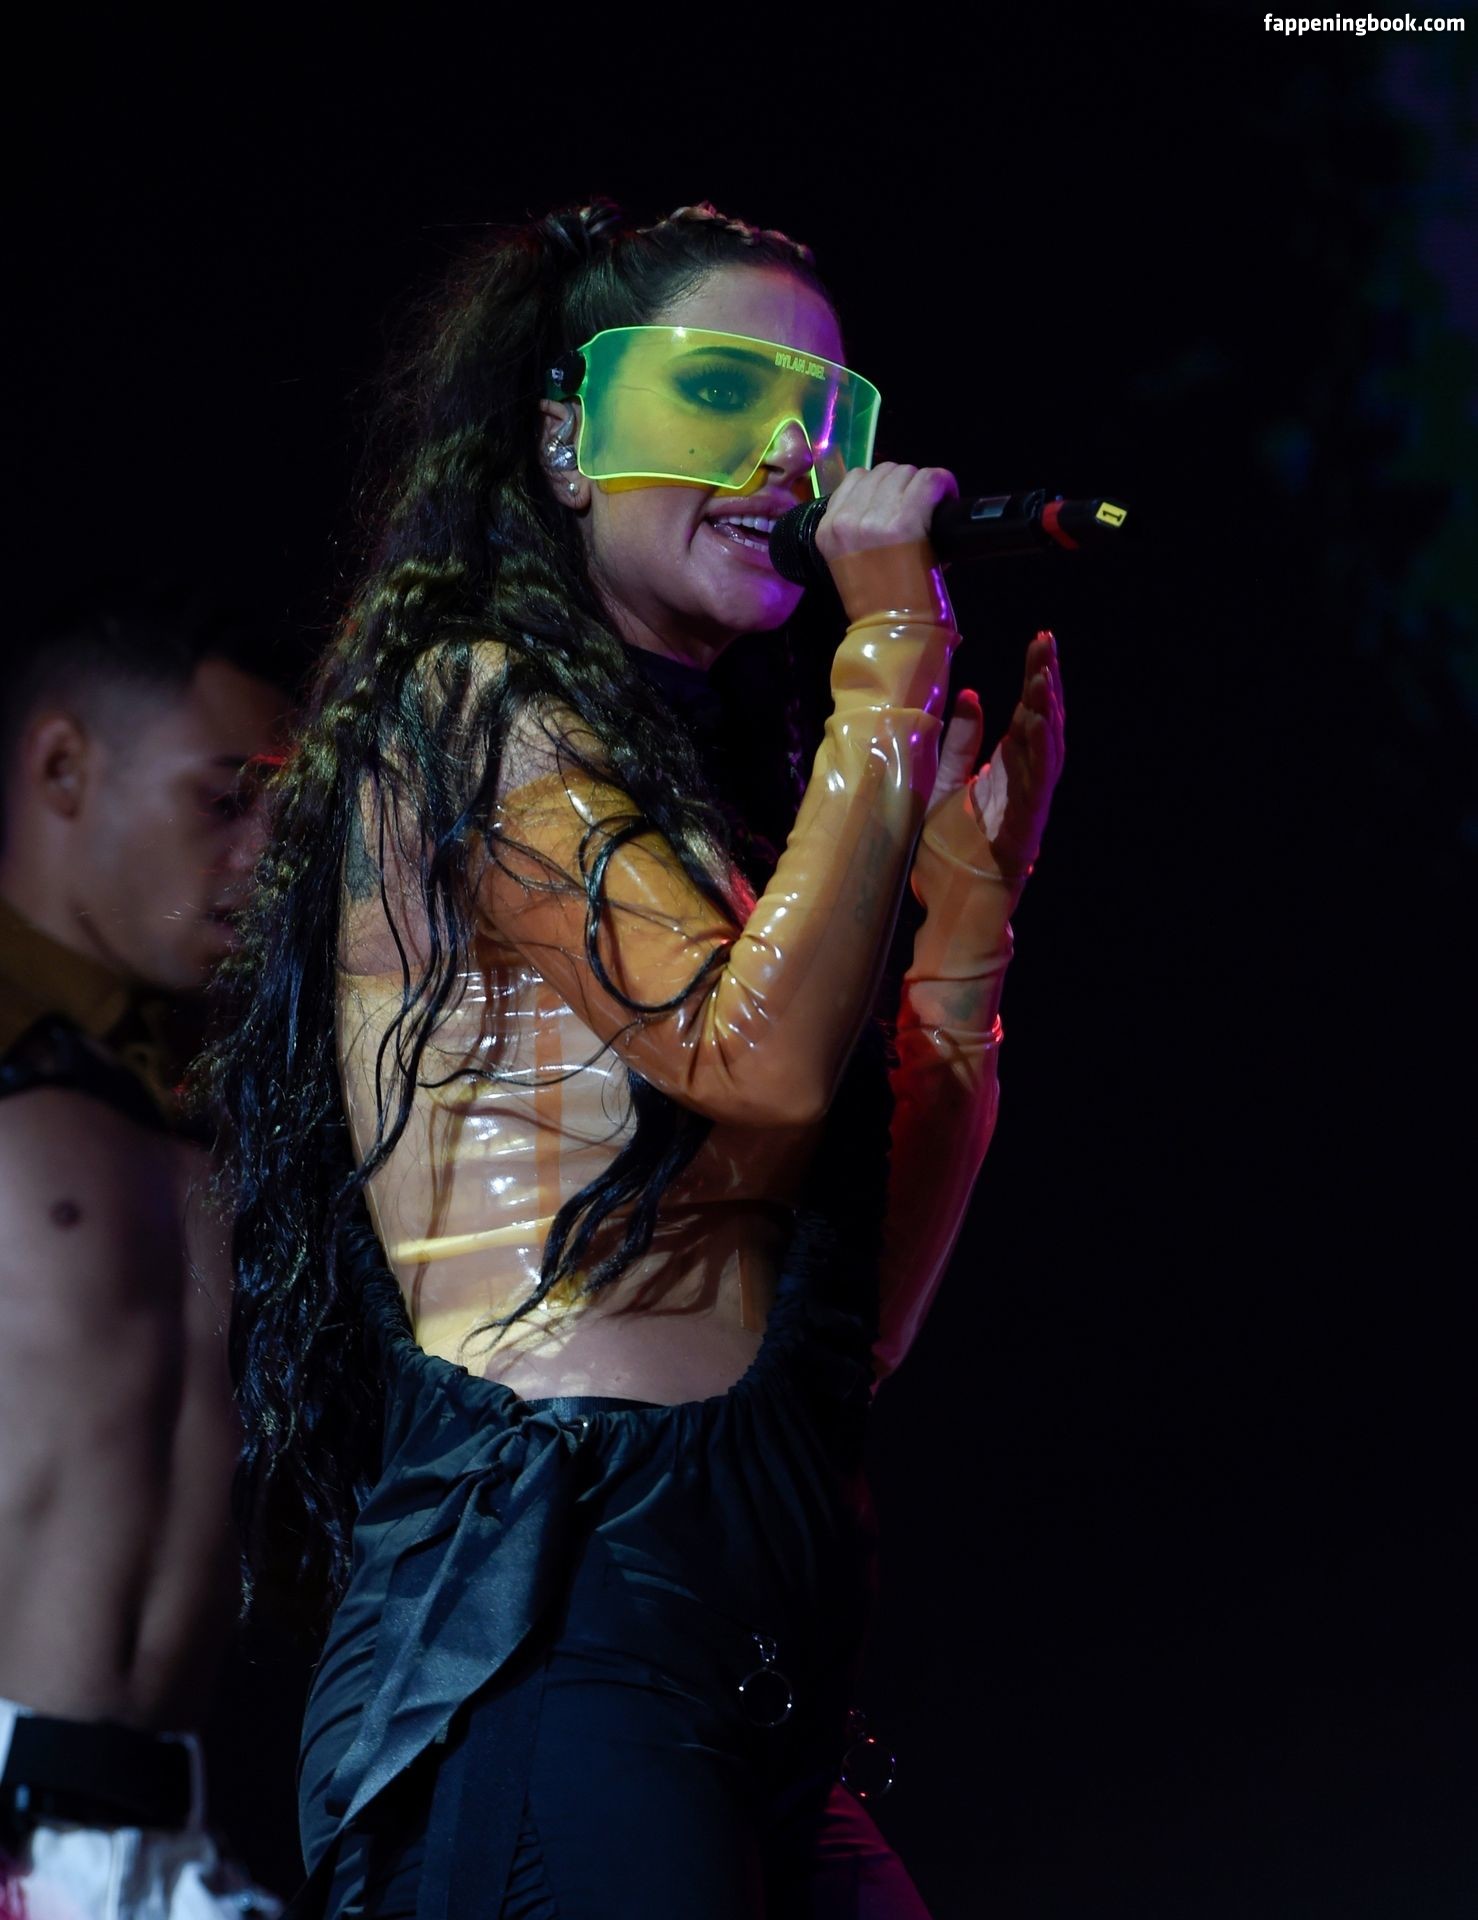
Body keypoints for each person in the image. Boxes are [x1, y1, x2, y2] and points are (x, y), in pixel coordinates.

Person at [208, 200, 1065, 1919]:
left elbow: (860, 1323)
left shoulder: (720, 813)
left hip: (741, 1650)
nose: (794, 458)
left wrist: (963, 934)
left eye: (826, 417)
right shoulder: (465, 710)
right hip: (549, 1622)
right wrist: (886, 666)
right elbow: (751, 1066)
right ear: (564, 438)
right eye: (726, 391)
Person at [0, 600, 290, 1919]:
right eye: (224, 800)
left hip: (174, 1849)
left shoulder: (231, 1102)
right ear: (64, 768)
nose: (263, 853)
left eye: (282, 810)